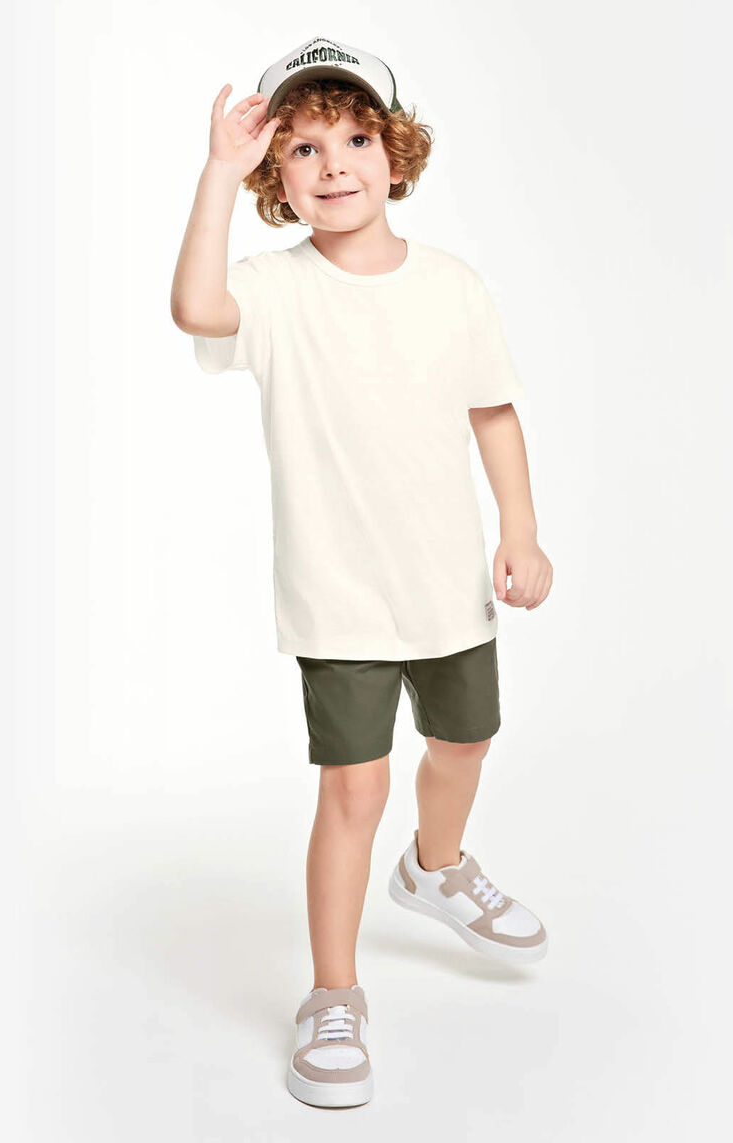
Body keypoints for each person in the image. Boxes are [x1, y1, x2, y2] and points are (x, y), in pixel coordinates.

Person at [170, 36, 553, 1109]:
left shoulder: (452, 286)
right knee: (354, 787)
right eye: (301, 147)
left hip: (445, 585)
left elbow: (492, 410)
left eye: (353, 138)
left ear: (395, 155)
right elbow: (195, 309)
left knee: (465, 741)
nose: (332, 163)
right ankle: (333, 993)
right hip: (337, 595)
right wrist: (215, 171)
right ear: (277, 178)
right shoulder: (272, 290)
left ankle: (436, 866)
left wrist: (521, 530)